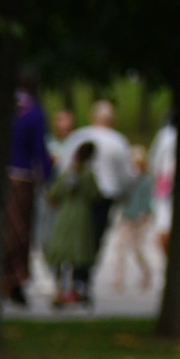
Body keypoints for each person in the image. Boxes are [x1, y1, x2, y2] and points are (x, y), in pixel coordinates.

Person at [59, 100, 135, 277]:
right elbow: (127, 175)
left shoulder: (77, 137)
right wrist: (126, 196)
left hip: (77, 195)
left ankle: (73, 273)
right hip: (104, 197)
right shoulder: (118, 141)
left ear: (91, 117)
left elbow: (63, 168)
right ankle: (84, 275)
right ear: (113, 120)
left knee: (75, 234)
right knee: (95, 236)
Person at [5, 79, 52, 307]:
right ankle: (13, 279)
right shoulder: (33, 112)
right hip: (21, 177)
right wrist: (48, 177)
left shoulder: (2, 105)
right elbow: (38, 148)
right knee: (19, 230)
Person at [44, 141, 101, 308]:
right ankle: (77, 289)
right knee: (79, 253)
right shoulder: (88, 175)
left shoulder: (66, 174)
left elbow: (54, 195)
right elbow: (94, 195)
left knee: (62, 253)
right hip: (82, 216)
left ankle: (61, 290)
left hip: (64, 215)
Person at [108, 147, 157, 294]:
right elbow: (122, 195)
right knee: (120, 249)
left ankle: (147, 273)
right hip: (127, 216)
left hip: (139, 218)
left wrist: (144, 215)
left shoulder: (146, 180)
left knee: (137, 249)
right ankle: (118, 280)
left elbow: (147, 200)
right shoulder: (129, 179)